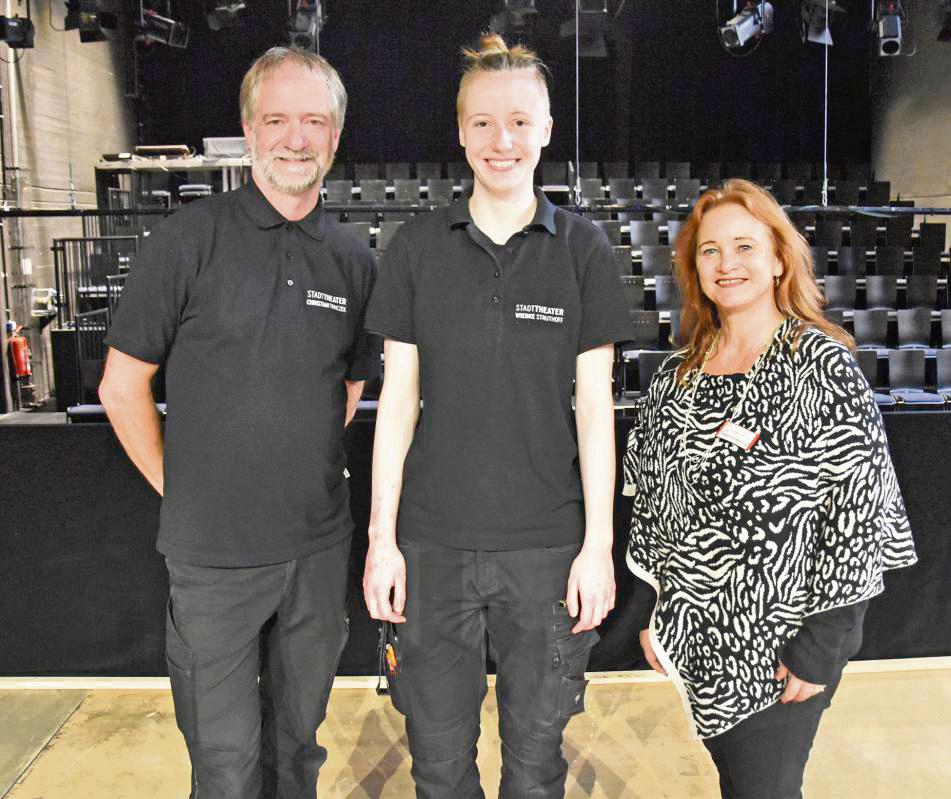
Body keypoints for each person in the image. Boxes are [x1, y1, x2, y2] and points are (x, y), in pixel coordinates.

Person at [98, 47, 378, 799]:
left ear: (335, 137)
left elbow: (348, 387)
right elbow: (122, 385)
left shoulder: (354, 262)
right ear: (249, 131)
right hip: (213, 560)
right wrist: (180, 486)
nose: (295, 138)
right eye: (277, 119)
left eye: (313, 121)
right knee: (224, 764)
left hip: (316, 553)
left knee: (298, 750)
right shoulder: (185, 241)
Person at [362, 34, 632, 799]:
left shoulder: (581, 248)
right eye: (482, 122)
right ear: (459, 132)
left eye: (518, 121)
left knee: (535, 765)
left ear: (547, 129)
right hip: (433, 549)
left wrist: (597, 546)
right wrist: (383, 540)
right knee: (439, 768)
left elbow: (594, 412)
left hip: (546, 551)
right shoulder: (414, 246)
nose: (500, 140)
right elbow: (396, 404)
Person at [623, 178, 917, 798]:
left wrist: (822, 645)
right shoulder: (678, 375)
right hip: (699, 636)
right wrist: (655, 611)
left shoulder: (819, 365)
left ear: (780, 257)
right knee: (741, 784)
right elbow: (654, 504)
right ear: (692, 266)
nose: (727, 264)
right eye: (709, 251)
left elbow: (859, 511)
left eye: (745, 246)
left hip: (786, 643)